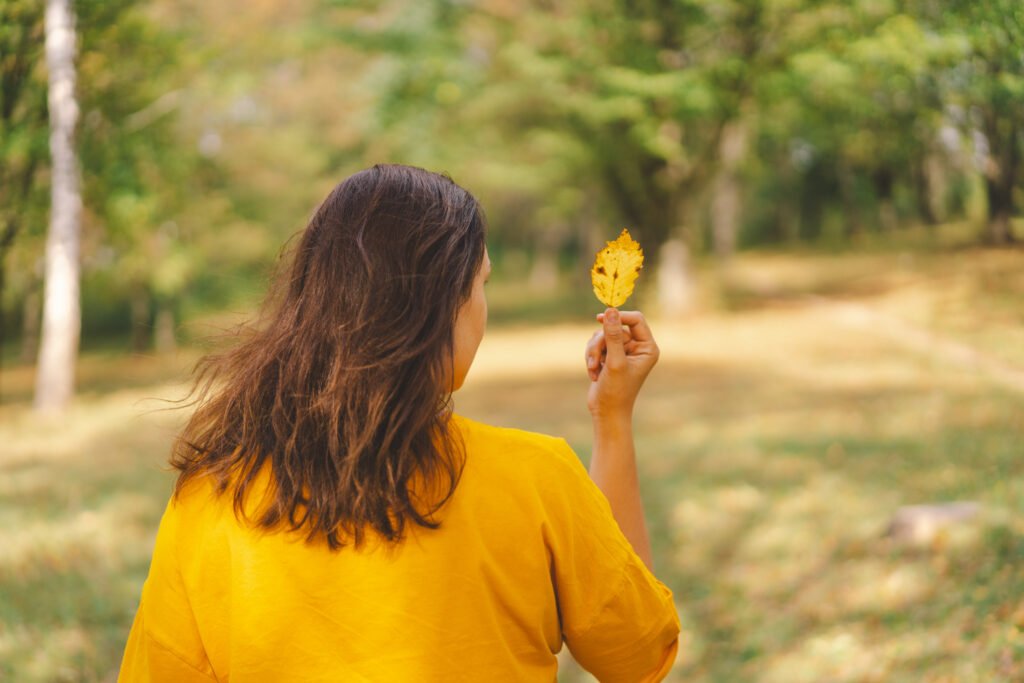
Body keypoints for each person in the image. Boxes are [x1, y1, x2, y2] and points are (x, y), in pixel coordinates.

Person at [118, 164, 680, 682]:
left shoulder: (212, 496)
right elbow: (637, 657)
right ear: (438, 306)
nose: (483, 309)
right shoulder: (535, 478)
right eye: (480, 284)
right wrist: (612, 420)